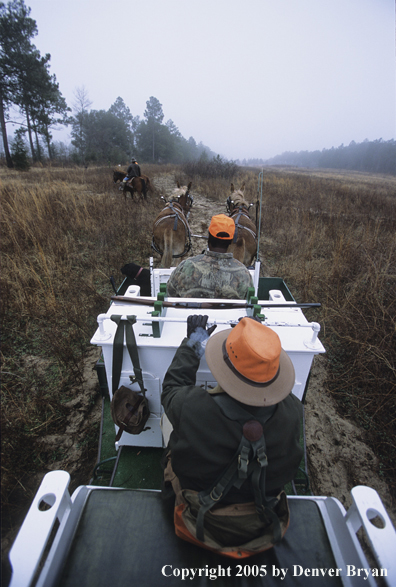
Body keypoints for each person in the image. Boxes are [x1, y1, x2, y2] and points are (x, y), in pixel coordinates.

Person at [161, 316, 303, 553]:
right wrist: (257, 348)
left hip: (197, 515)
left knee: (170, 422)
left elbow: (172, 388)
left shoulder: (192, 407)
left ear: (223, 365)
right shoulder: (293, 411)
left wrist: (194, 341)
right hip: (261, 520)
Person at [166, 214, 253, 299]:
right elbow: (249, 303)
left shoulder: (185, 266)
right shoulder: (243, 273)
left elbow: (169, 295)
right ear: (230, 242)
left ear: (209, 238)